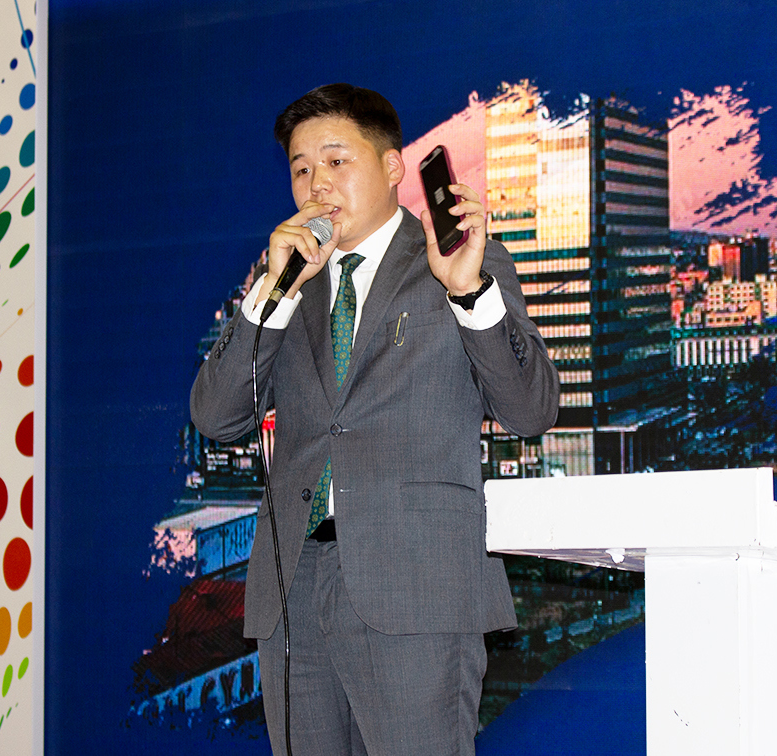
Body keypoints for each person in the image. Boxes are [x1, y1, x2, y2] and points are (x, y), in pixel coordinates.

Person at [190, 83, 559, 756]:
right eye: (301, 168)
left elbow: (530, 409)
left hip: (418, 585)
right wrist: (270, 296)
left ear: (392, 167)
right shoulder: (289, 283)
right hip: (294, 589)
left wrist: (468, 291)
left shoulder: (457, 260)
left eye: (336, 161)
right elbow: (216, 417)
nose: (316, 184)